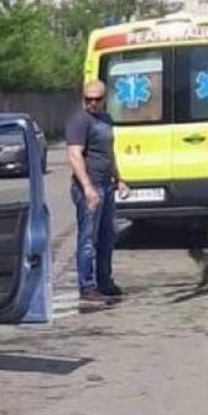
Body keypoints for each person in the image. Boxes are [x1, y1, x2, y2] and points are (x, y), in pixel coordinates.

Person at [66, 79, 128, 302]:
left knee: (107, 236)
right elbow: (74, 155)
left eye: (97, 99)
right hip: (89, 188)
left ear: (105, 99)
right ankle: (87, 286)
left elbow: (109, 153)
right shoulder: (79, 121)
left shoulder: (106, 120)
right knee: (88, 240)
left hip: (106, 185)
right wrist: (88, 188)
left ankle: (105, 281)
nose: (92, 103)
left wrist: (119, 179)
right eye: (88, 99)